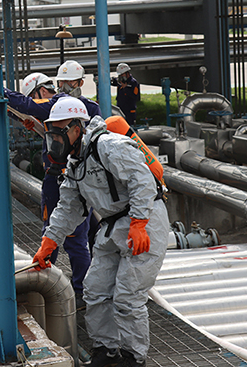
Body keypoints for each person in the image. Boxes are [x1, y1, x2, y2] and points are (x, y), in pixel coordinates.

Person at [33, 97, 169, 367]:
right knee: (95, 290)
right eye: (52, 134)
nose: (55, 140)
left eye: (58, 133)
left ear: (76, 128)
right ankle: (106, 351)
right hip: (113, 226)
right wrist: (49, 242)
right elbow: (68, 207)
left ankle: (133, 358)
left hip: (145, 220)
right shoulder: (75, 164)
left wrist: (139, 223)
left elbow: (142, 180)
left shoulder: (109, 146)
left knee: (128, 296)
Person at [4, 67, 100, 299]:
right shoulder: (75, 109)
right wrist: (38, 126)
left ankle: (71, 290)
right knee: (78, 233)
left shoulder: (58, 104)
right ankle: (77, 286)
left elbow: (29, 106)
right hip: (71, 177)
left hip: (65, 179)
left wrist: (1, 91)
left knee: (70, 237)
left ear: (40, 91)